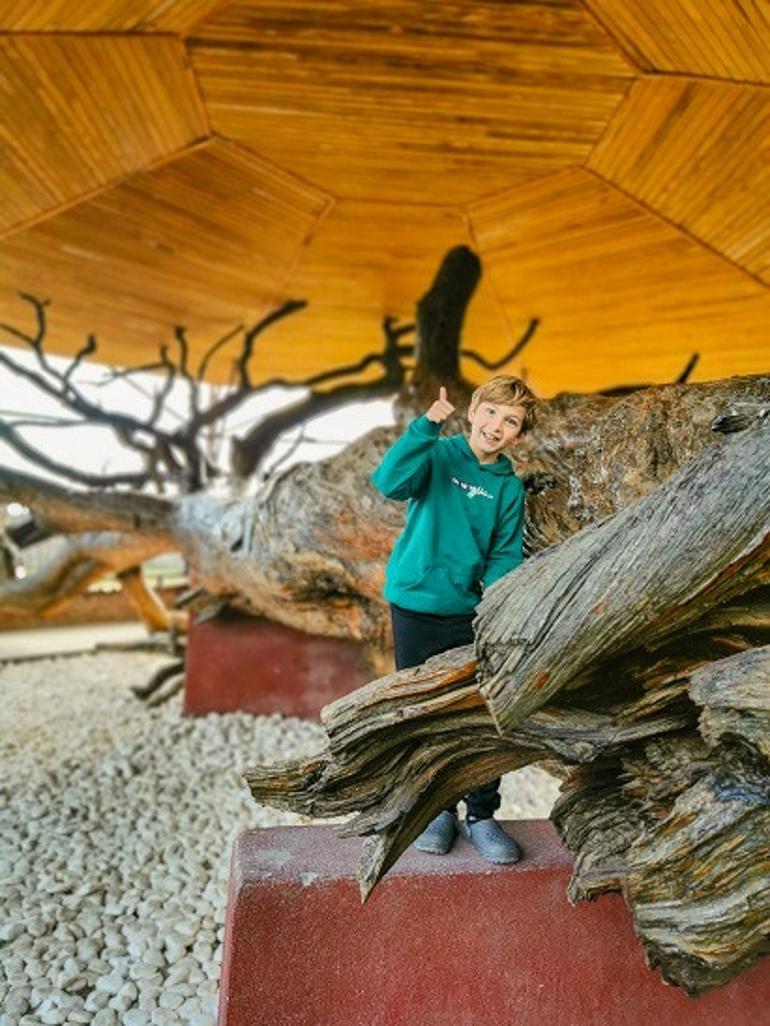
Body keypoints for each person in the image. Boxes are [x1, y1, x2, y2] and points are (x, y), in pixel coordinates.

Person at [371, 375, 537, 863]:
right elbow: (388, 482)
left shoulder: (508, 487)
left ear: (518, 435)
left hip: (468, 613)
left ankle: (481, 814)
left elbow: (505, 553)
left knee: (482, 714)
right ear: (473, 409)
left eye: (511, 421)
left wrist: (496, 604)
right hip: (416, 603)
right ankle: (435, 809)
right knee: (423, 713)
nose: (496, 426)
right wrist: (425, 427)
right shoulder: (438, 455)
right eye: (491, 412)